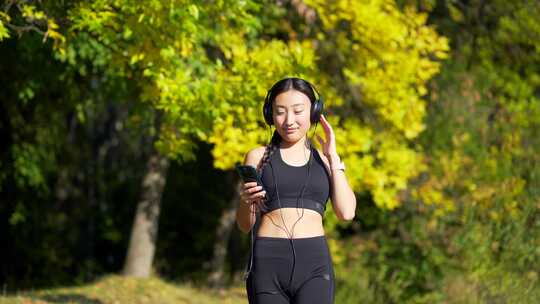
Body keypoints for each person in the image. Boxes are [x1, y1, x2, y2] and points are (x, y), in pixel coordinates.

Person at [236, 77, 357, 304]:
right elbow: (244, 225)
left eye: (298, 111)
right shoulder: (257, 156)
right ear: (270, 114)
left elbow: (347, 212)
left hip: (314, 265)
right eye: (280, 112)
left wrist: (333, 157)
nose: (289, 120)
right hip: (267, 264)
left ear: (313, 113)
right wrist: (246, 201)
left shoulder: (325, 160)